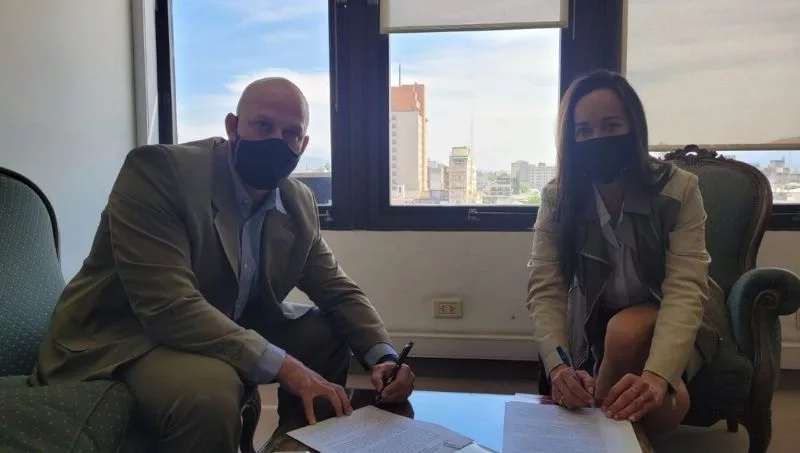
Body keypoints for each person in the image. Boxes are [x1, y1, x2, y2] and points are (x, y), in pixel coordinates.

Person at [30, 77, 415, 452]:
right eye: (263, 125)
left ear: (304, 143)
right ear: (233, 126)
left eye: (291, 133)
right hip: (126, 333)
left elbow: (338, 291)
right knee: (210, 389)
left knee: (324, 332)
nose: (276, 141)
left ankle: (297, 445)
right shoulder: (160, 172)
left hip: (222, 318)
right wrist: (287, 367)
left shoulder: (297, 201)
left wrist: (384, 358)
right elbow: (167, 306)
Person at [526, 70, 732, 435]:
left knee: (628, 332)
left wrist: (657, 378)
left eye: (611, 125)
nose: (597, 138)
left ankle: (598, 436)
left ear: (634, 128)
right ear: (571, 139)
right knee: (667, 402)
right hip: (593, 317)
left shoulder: (679, 190)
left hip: (666, 312)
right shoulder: (557, 198)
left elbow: (684, 289)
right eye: (584, 130)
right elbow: (546, 288)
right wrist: (558, 369)